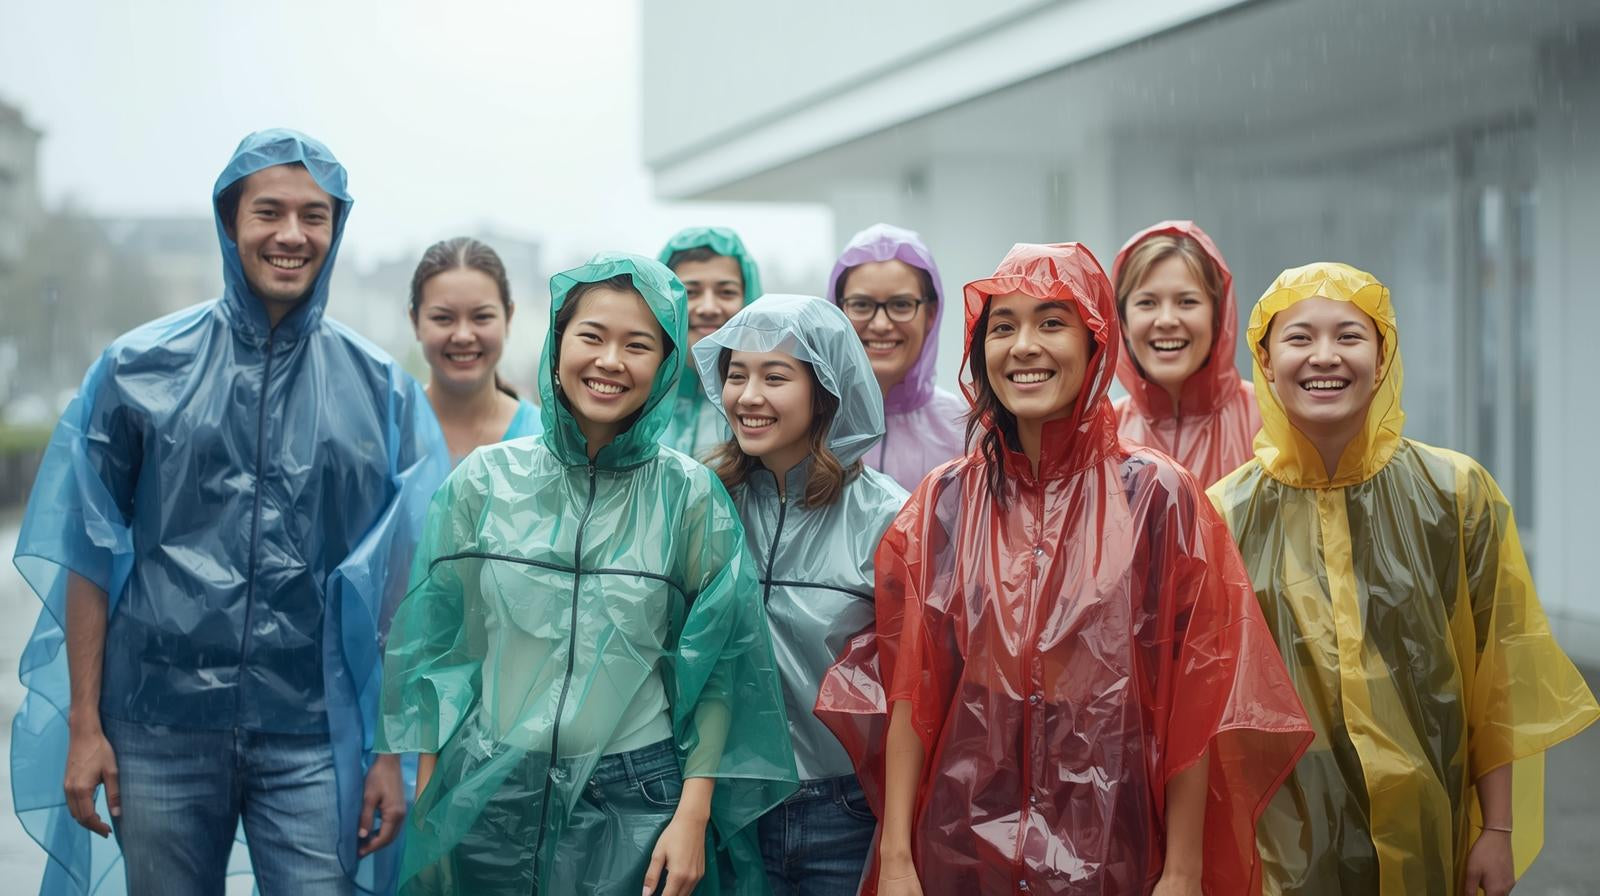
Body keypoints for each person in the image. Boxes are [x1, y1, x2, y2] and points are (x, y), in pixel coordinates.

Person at [10, 129, 448, 896]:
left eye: (314, 216)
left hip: (314, 734)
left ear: (336, 231)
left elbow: (405, 590)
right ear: (229, 222)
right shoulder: (136, 370)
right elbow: (88, 548)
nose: (290, 234)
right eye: (269, 211)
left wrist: (391, 751)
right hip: (157, 729)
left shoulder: (381, 393)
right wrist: (86, 725)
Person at [816, 242, 1312, 895]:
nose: (1024, 346)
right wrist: (901, 859)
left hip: (1120, 841)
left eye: (1052, 323)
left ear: (1096, 341)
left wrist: (1185, 869)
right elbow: (912, 689)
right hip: (962, 845)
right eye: (1003, 327)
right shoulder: (945, 499)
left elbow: (1196, 696)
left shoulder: (1159, 495)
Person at [377, 252, 798, 895]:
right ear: (556, 342)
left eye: (638, 344)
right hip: (490, 792)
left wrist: (692, 814)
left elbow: (721, 672)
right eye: (591, 337)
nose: (610, 362)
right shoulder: (484, 484)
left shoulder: (689, 496)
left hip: (638, 801)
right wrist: (437, 811)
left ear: (662, 366)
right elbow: (442, 657)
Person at [1207, 262, 1600, 896]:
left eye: (1350, 336)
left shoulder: (1455, 495)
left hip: (1426, 831)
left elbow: (1496, 676)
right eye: (1300, 337)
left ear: (1384, 354)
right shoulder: (1222, 514)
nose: (1325, 357)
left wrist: (1495, 830)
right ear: (1266, 361)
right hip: (1279, 841)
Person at [693, 294, 909, 895]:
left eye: (775, 376)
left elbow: (917, 691)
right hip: (727, 808)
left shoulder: (888, 518)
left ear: (825, 390)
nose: (749, 396)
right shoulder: (709, 500)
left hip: (844, 814)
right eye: (736, 374)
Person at [1111, 220, 1258, 487]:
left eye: (1187, 302)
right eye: (1147, 303)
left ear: (1218, 317)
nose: (1166, 320)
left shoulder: (1270, 421)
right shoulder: (1104, 434)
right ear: (1123, 323)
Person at [827, 223, 965, 491]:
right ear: (836, 312)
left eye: (901, 305)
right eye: (861, 305)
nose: (880, 324)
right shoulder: (808, 428)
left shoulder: (967, 434)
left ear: (931, 314)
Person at [657, 226, 763, 460]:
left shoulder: (766, 406)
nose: (708, 308)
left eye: (726, 292)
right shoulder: (634, 396)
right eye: (690, 292)